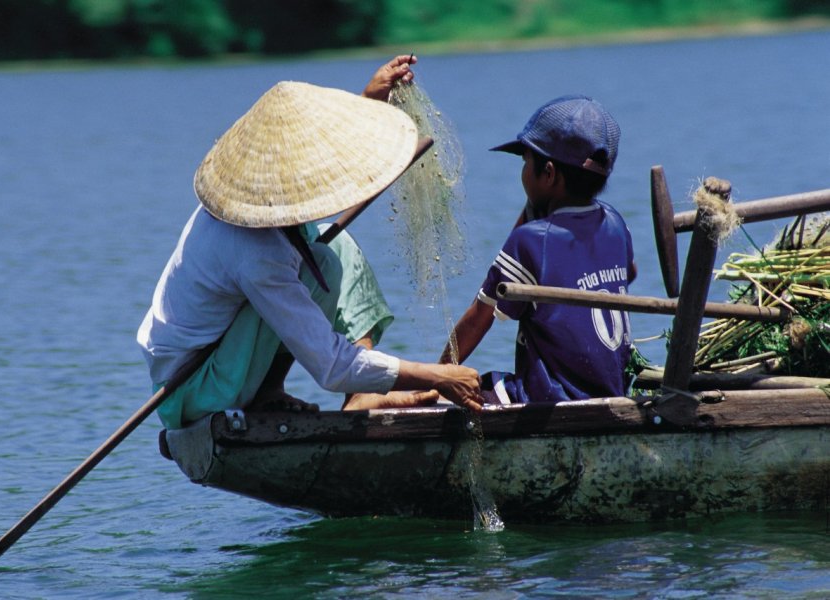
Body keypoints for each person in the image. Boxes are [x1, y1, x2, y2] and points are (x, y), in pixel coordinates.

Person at [137, 58, 483, 430]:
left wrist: (369, 103)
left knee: (334, 251)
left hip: (223, 354)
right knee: (305, 273)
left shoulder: (259, 205)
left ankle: (306, 390)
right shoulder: (256, 251)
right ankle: (311, 387)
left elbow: (324, 157)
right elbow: (331, 367)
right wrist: (436, 376)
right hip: (195, 387)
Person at [440, 94, 636, 404]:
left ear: (548, 173)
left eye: (525, 162)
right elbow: (630, 272)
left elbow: (481, 316)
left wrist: (438, 376)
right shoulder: (614, 221)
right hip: (611, 390)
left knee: (455, 392)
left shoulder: (531, 241)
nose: (522, 172)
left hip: (550, 398)